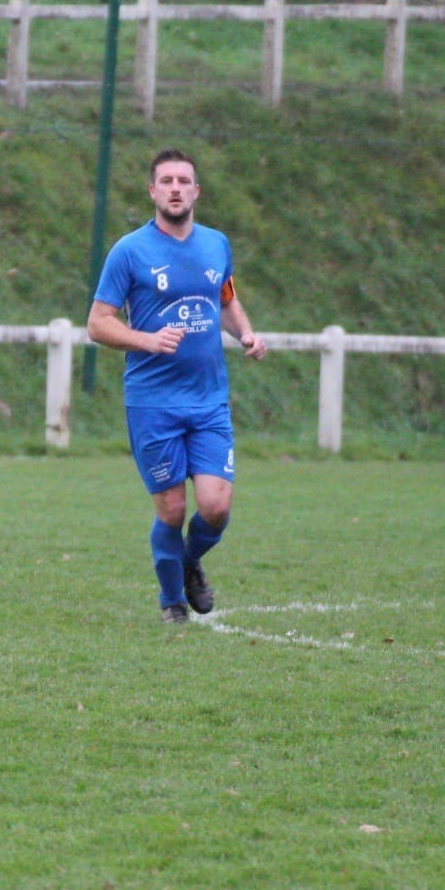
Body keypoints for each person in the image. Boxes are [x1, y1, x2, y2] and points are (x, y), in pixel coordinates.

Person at [88, 149, 267, 625]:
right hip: (152, 402)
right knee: (171, 510)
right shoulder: (129, 251)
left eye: (182, 180)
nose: (174, 187)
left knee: (216, 506)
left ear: (196, 192)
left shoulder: (216, 244)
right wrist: (146, 339)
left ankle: (188, 562)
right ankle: (172, 603)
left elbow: (225, 297)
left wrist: (245, 333)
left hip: (208, 399)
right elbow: (97, 324)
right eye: (164, 180)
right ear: (152, 191)